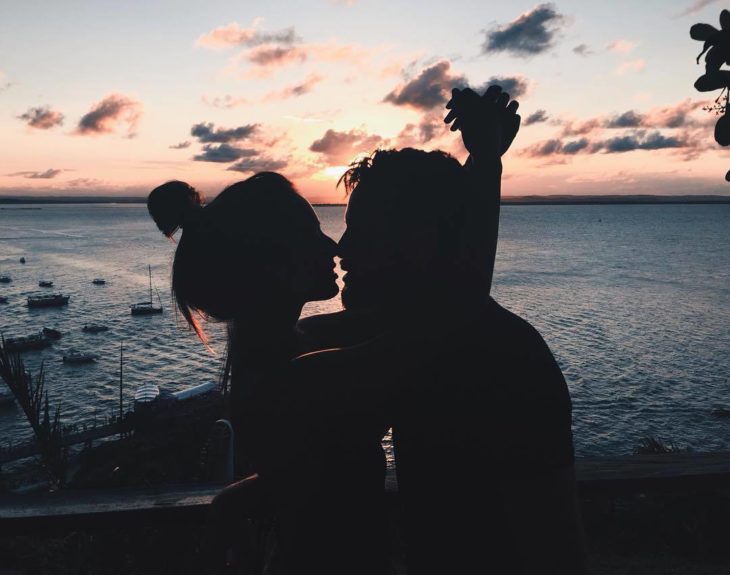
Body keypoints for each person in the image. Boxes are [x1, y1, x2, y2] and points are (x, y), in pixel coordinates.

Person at [297, 86, 587, 574]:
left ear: (417, 241)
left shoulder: (493, 354)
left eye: (362, 230)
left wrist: (487, 159)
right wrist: (487, 159)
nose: (342, 249)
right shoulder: (426, 332)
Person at [147, 173, 390, 575]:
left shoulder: (277, 352)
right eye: (312, 236)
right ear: (271, 263)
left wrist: (232, 501)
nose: (331, 246)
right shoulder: (304, 372)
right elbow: (443, 322)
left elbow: (299, 476)